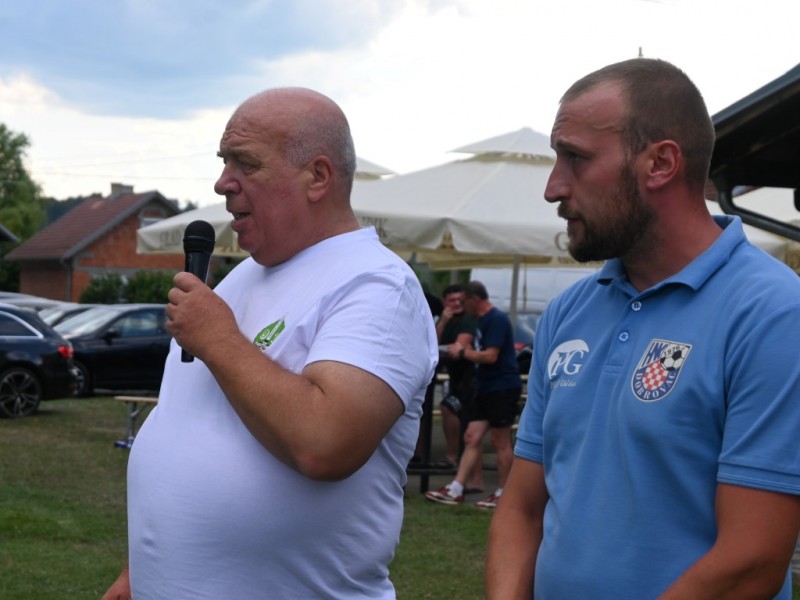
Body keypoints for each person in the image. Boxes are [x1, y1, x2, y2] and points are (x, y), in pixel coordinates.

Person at [102, 87, 438, 600]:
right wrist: (141, 570)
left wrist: (219, 339)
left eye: (246, 163)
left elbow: (326, 444)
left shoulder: (378, 286)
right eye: (223, 161)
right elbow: (188, 427)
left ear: (317, 177)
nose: (222, 182)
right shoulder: (242, 278)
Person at [486, 58, 800, 599]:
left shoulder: (773, 313)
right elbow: (521, 509)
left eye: (575, 158)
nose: (553, 188)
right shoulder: (568, 313)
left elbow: (752, 561)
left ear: (660, 163)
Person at [425, 280, 521, 509]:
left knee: (500, 441)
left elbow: (491, 356)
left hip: (502, 387)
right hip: (485, 387)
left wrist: (463, 352)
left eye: (463, 300)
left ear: (474, 299)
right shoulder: (480, 320)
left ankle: (504, 493)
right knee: (471, 437)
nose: (461, 305)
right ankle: (456, 489)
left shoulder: (496, 319)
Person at [435, 284, 480, 481]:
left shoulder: (468, 319)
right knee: (451, 410)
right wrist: (443, 321)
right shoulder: (446, 320)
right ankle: (466, 470)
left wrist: (451, 349)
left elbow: (458, 348)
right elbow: (431, 343)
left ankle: (454, 457)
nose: (457, 303)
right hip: (455, 378)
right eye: (452, 300)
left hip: (472, 379)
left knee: (451, 409)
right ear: (445, 302)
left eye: (460, 299)